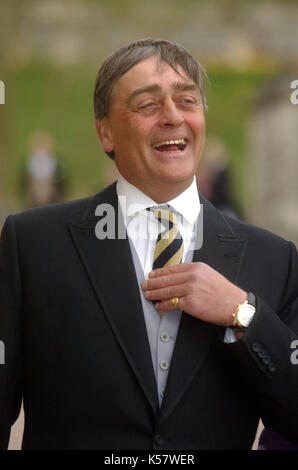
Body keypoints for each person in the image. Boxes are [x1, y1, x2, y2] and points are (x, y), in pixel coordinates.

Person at [0, 38, 298, 450]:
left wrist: (242, 314)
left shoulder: (276, 258)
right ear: (105, 131)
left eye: (187, 101)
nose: (173, 116)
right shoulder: (31, 244)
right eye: (148, 105)